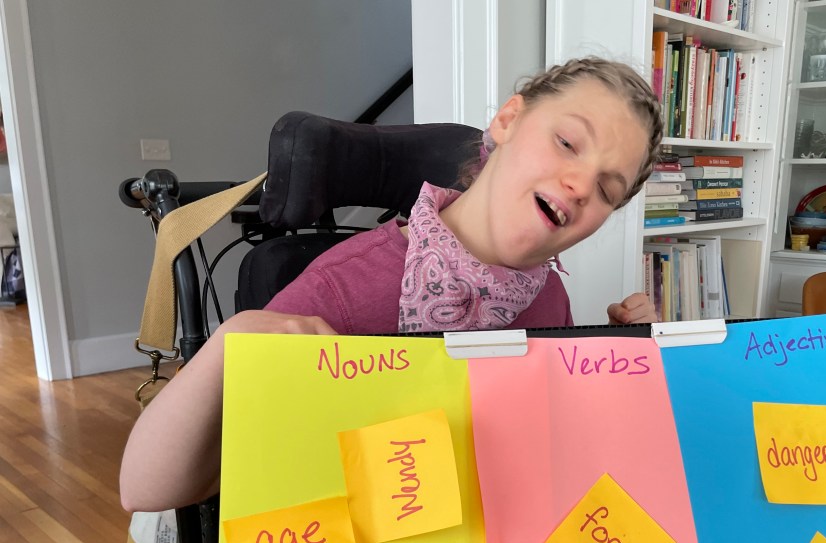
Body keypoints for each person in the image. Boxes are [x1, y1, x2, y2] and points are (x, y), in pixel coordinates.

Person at [120, 56, 664, 513]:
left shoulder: (550, 298)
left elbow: (548, 441)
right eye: (568, 142)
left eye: (608, 190)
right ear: (508, 120)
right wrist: (229, 343)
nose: (579, 183)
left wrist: (623, 364)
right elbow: (146, 488)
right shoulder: (343, 290)